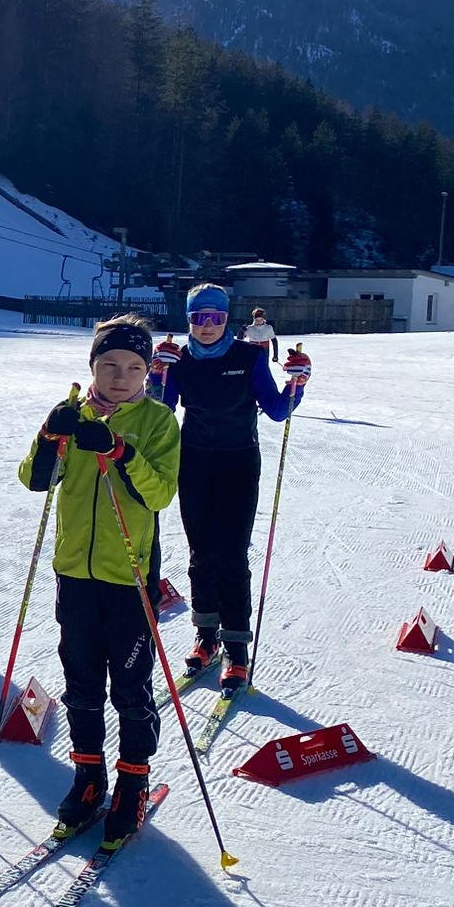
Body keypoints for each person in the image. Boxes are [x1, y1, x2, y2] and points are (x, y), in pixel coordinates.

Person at [18, 313, 181, 846]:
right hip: (76, 573)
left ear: (148, 372)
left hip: (129, 574)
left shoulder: (158, 422)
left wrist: (120, 451)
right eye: (109, 364)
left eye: (133, 367)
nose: (120, 375)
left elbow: (159, 495)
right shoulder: (74, 411)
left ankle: (134, 779)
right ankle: (89, 776)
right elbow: (35, 480)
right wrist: (51, 435)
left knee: (130, 686)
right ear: (93, 365)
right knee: (82, 682)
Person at [156, 284, 306, 693]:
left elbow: (277, 410)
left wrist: (298, 383)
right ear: (188, 320)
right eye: (198, 318)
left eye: (216, 318)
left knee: (232, 555)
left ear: (227, 319)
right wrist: (159, 374)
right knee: (200, 553)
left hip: (239, 461)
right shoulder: (180, 358)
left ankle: (236, 649)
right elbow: (162, 409)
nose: (207, 326)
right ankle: (206, 636)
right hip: (195, 462)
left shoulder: (248, 356)